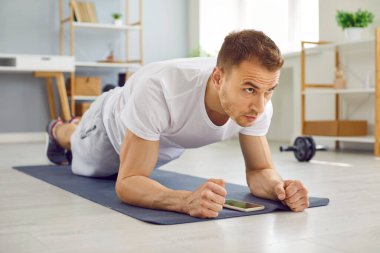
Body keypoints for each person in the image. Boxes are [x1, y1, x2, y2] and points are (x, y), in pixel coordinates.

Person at [46, 29, 309, 218]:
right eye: (249, 89)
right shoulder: (160, 89)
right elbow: (128, 182)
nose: (260, 106)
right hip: (107, 130)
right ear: (218, 78)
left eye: (269, 90)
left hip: (157, 138)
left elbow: (260, 169)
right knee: (76, 141)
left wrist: (279, 189)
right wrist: (185, 200)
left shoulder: (258, 102)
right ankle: (59, 128)